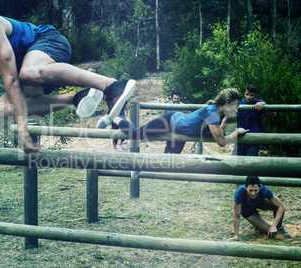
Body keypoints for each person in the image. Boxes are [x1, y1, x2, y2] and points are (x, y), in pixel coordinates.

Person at [0, 4, 136, 158]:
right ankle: (77, 98)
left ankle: (110, 85)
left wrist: (22, 127)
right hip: (30, 76)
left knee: (28, 72)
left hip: (48, 43)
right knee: (2, 109)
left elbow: (11, 79)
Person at [105, 88, 249, 181]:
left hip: (180, 129)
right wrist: (236, 133)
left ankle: (140, 168)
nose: (236, 110)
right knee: (136, 134)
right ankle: (115, 119)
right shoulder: (212, 112)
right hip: (170, 120)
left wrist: (226, 121)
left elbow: (218, 134)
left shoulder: (215, 114)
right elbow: (222, 142)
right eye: (235, 106)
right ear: (227, 103)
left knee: (169, 160)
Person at [228, 176, 291, 240]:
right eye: (250, 190)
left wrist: (274, 225)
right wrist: (236, 236)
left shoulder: (264, 189)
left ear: (260, 187)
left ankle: (279, 228)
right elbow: (236, 216)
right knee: (273, 235)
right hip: (248, 211)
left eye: (256, 190)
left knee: (276, 207)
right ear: (246, 188)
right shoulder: (239, 192)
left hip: (259, 203)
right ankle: (258, 224)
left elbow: (281, 206)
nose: (253, 193)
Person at [222, 84, 276, 156]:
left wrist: (264, 105)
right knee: (235, 164)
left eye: (251, 95)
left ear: (255, 95)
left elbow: (273, 115)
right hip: (239, 139)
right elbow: (228, 116)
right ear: (244, 93)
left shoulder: (259, 103)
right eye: (247, 94)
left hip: (253, 141)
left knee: (250, 164)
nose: (248, 97)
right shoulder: (239, 103)